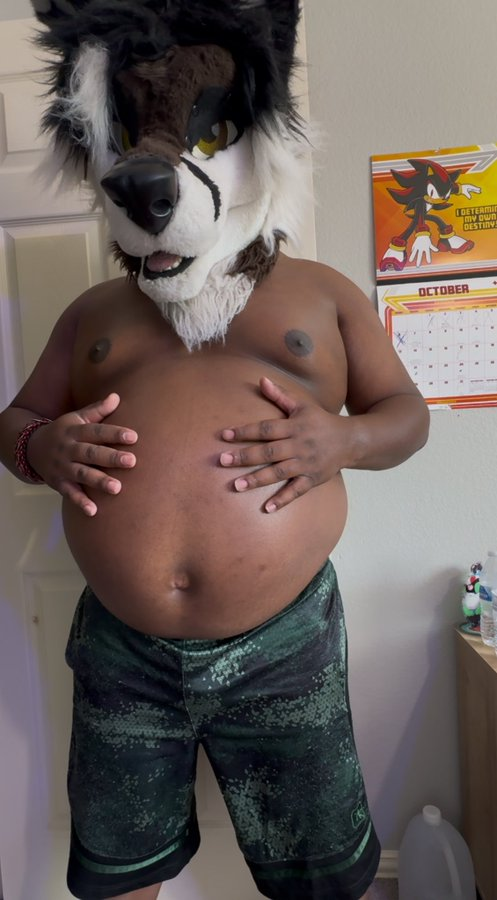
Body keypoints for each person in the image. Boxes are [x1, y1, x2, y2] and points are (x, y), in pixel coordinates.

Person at [0, 1, 430, 898]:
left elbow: (406, 416)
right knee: (120, 869)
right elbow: (15, 421)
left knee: (316, 872)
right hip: (123, 654)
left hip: (285, 647)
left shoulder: (321, 294)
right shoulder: (94, 313)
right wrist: (41, 447)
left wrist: (342, 437)